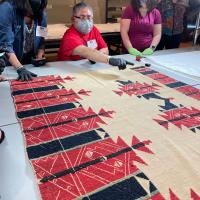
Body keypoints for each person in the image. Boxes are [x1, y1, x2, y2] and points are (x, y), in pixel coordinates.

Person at [58, 2, 129, 70]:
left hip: (89, 68)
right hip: (70, 71)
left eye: (89, 17)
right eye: (82, 17)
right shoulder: (69, 36)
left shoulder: (93, 29)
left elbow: (105, 49)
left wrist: (97, 56)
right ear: (73, 19)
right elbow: (86, 52)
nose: (86, 21)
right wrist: (109, 59)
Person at [0, 0, 48, 81]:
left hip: (29, 64)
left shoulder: (42, 12)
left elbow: (42, 38)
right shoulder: (7, 8)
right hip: (7, 64)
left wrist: (40, 55)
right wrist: (20, 68)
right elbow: (5, 45)